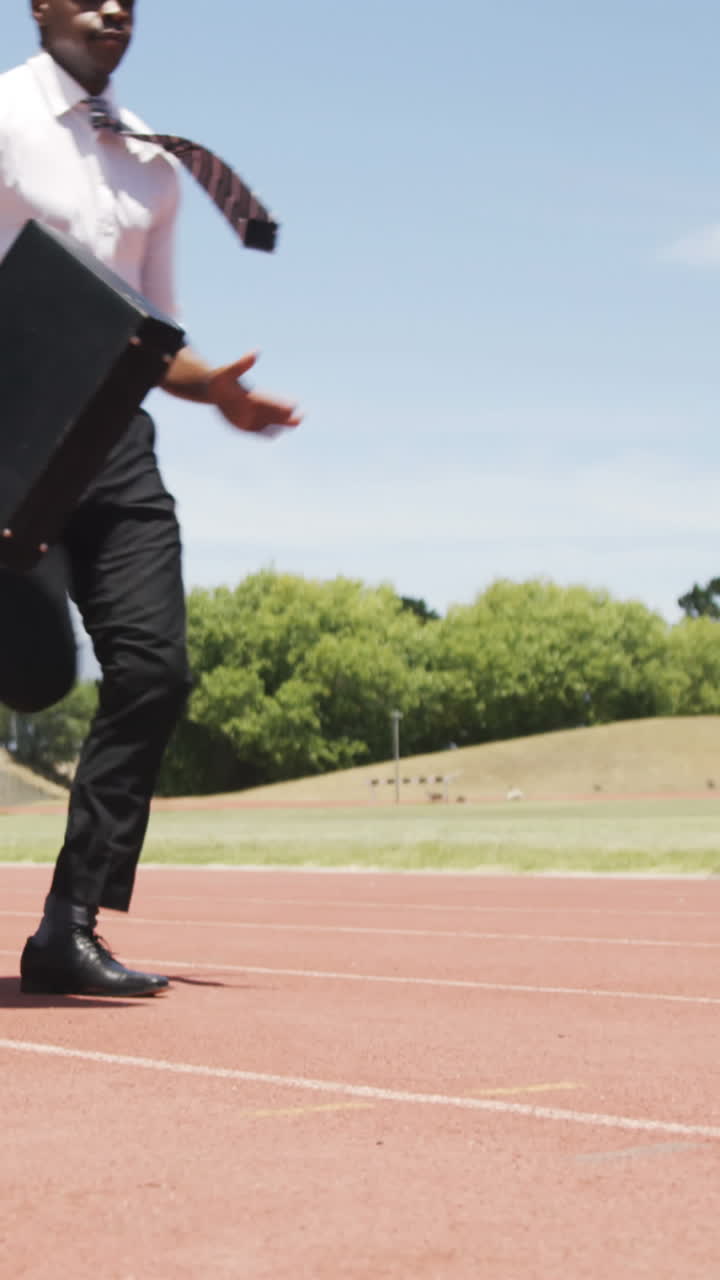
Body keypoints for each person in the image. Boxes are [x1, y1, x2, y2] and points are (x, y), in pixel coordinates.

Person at [3, 0, 301, 997]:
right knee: (38, 675)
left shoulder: (155, 162)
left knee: (156, 669)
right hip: (11, 438)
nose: (114, 9)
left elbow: (154, 331)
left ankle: (68, 925)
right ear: (38, 5)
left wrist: (212, 387)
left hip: (118, 442)